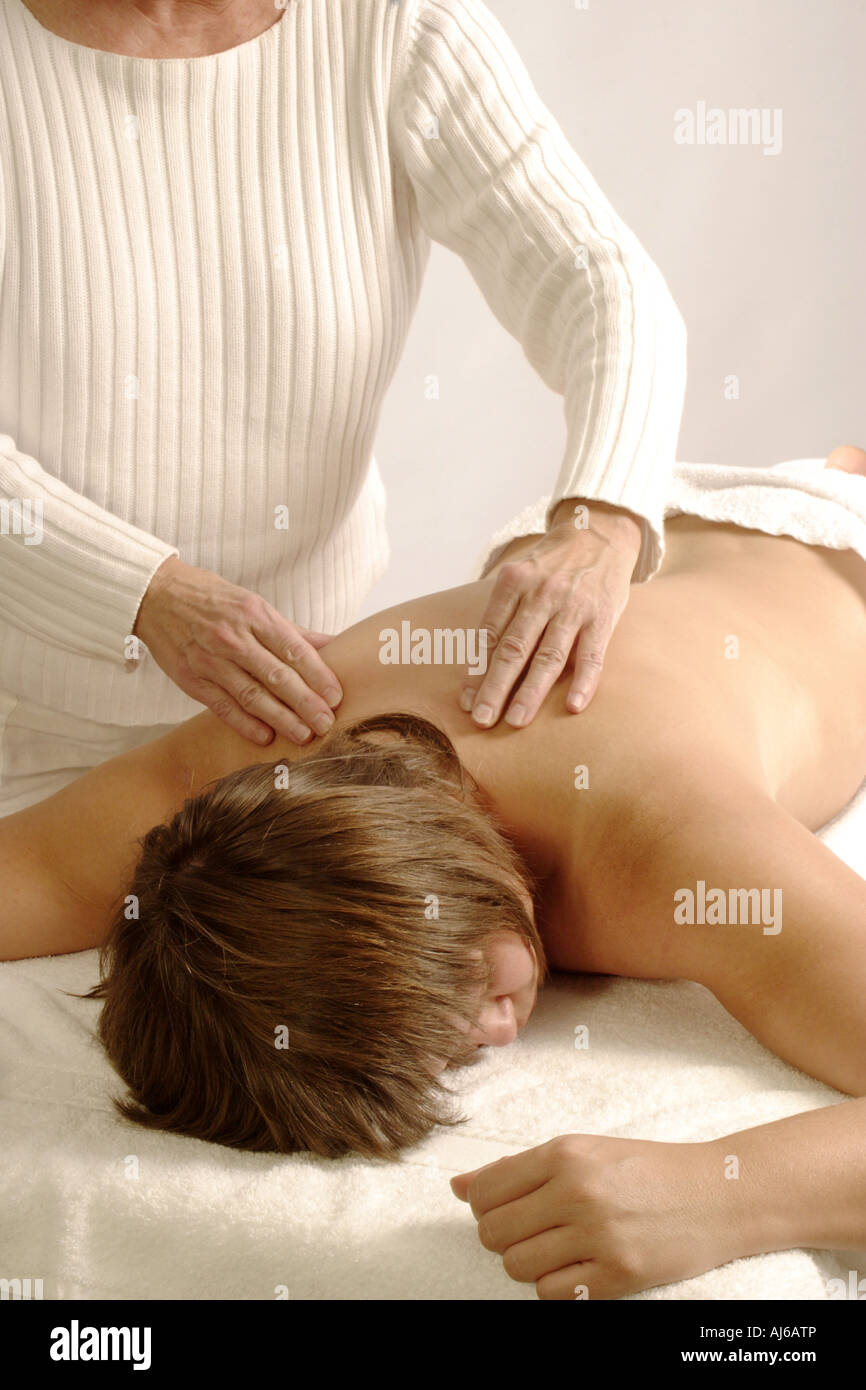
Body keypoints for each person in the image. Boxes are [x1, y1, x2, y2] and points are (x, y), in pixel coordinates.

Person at [2, 446, 865, 1299]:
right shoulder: (259, 761)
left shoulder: (668, 844)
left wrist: (724, 1195)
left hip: (826, 553)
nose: (495, 1034)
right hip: (662, 557)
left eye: (470, 992)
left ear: (458, 886)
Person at [0, 0, 687, 816]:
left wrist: (603, 519)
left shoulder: (399, 29)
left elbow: (598, 280)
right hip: (26, 736)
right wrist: (143, 594)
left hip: (302, 734)